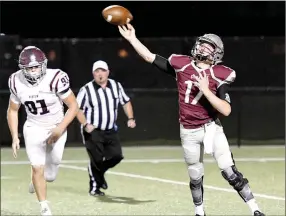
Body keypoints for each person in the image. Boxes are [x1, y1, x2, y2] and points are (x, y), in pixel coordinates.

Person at [118, 24, 265, 216]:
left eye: (208, 46)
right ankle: (199, 212)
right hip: (188, 130)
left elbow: (226, 110)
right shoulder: (182, 65)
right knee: (195, 175)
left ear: (216, 53)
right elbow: (150, 57)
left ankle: (255, 210)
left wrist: (205, 90)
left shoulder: (219, 74)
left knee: (229, 171)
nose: (202, 48)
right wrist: (132, 39)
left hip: (210, 127)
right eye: (202, 44)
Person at [7, 46, 79, 216]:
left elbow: (74, 106)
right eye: (29, 67)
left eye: (36, 66)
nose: (33, 71)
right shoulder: (15, 81)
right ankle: (44, 207)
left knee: (51, 174)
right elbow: (12, 110)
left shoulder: (55, 78)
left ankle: (36, 179)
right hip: (34, 127)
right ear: (22, 68)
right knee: (37, 167)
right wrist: (14, 136)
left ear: (43, 64)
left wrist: (60, 128)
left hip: (57, 125)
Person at [76, 60, 136, 196]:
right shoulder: (86, 89)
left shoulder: (116, 86)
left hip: (110, 129)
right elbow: (77, 109)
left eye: (102, 70)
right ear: (93, 74)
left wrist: (131, 118)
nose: (100, 74)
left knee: (117, 156)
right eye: (97, 71)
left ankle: (99, 173)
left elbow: (125, 102)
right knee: (96, 159)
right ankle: (94, 187)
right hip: (93, 130)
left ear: (108, 72)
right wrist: (86, 124)